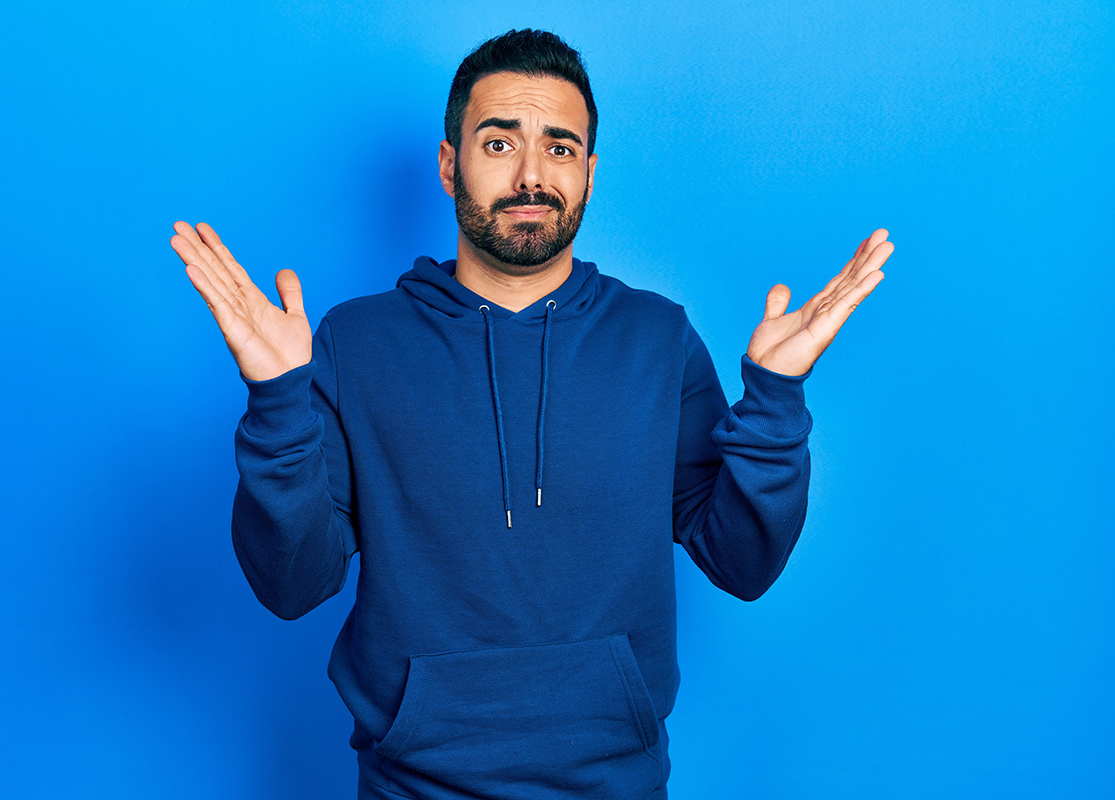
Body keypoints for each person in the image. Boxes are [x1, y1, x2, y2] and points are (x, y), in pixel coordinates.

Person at [171, 28, 891, 800]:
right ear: (450, 167)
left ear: (588, 172)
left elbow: (742, 564)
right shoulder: (356, 343)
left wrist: (776, 401)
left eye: (557, 148)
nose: (528, 175)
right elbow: (291, 585)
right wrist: (279, 400)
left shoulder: (656, 340)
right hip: (412, 785)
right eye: (498, 142)